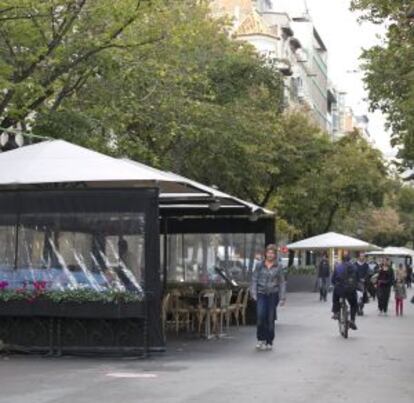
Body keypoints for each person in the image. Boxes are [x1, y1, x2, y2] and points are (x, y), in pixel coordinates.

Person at [251, 244, 286, 351]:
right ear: (265, 253)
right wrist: (253, 293)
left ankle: (269, 341)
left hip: (273, 294)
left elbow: (281, 282)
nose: (270, 255)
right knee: (261, 316)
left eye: (272, 253)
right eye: (268, 252)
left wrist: (282, 297)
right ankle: (261, 339)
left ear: (275, 255)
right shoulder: (259, 265)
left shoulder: (278, 266)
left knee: (270, 318)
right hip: (261, 293)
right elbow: (254, 279)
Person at [331, 253, 358, 330]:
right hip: (351, 290)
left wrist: (335, 284)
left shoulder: (338, 267)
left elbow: (333, 280)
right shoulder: (354, 267)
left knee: (335, 295)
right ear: (349, 259)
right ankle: (352, 320)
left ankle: (336, 312)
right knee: (353, 304)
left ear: (342, 259)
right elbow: (357, 279)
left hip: (340, 290)